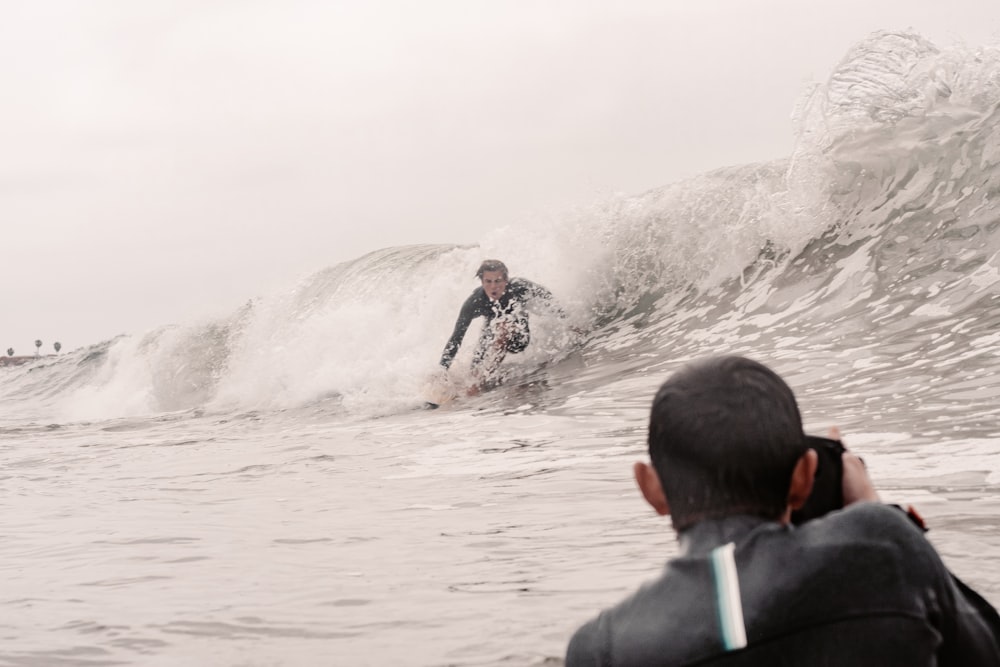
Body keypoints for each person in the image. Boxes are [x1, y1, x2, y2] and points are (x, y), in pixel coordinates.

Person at [566, 355, 1000, 666]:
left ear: (650, 487)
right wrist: (879, 512)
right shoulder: (882, 545)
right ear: (804, 476)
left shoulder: (600, 648)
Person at [439, 259, 568, 386]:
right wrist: (442, 369)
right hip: (491, 334)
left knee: (503, 328)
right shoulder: (475, 301)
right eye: (488, 281)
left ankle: (481, 382)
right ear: (482, 282)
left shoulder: (519, 286)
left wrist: (568, 322)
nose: (493, 286)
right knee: (474, 368)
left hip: (519, 336)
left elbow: (548, 298)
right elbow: (456, 338)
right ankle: (467, 385)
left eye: (498, 281)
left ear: (506, 280)